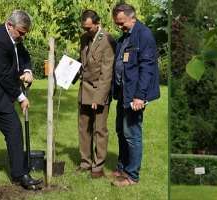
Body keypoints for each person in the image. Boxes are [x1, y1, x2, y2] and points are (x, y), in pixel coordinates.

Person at [0, 10, 42, 190]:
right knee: (14, 129)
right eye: (21, 32)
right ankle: (19, 175)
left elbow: (24, 56)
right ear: (10, 26)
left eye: (25, 32)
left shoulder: (13, 37)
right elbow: (4, 76)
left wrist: (28, 71)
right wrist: (21, 98)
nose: (23, 36)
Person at [105, 2, 160, 186]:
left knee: (132, 133)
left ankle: (132, 176)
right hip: (123, 92)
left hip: (134, 95)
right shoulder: (125, 36)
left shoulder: (144, 35)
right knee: (121, 132)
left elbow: (147, 68)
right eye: (117, 24)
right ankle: (121, 169)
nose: (120, 27)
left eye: (122, 23)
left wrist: (139, 96)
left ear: (133, 18)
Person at [74, 10, 116, 179]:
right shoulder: (84, 38)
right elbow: (82, 63)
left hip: (99, 91)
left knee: (99, 130)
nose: (86, 31)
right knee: (83, 129)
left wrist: (99, 98)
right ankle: (85, 162)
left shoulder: (107, 40)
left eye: (89, 28)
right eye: (84, 27)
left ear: (98, 24)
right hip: (84, 90)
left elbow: (107, 73)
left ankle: (97, 167)